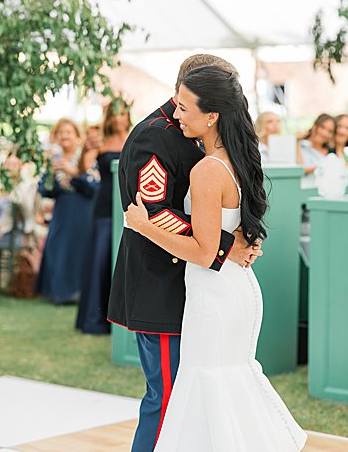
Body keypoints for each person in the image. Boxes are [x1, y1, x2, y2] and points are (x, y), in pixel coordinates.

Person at [122, 62, 305, 450]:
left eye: (187, 106)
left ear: (213, 112)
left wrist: (232, 242)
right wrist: (228, 244)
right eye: (180, 102)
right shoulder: (154, 136)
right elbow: (156, 211)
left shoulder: (210, 148)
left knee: (197, 398)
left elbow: (178, 222)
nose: (178, 113)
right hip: (163, 288)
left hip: (207, 286)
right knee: (173, 399)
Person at [75, 107, 132, 335]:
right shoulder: (101, 141)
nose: (119, 118)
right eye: (114, 113)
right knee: (100, 259)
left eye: (122, 113)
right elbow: (84, 168)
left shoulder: (136, 136)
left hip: (128, 204)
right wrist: (85, 149)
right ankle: (95, 320)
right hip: (105, 205)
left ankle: (121, 322)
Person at [37, 119, 95, 304]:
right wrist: (52, 177)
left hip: (83, 210)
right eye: (61, 132)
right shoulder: (54, 160)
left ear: (78, 136)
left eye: (69, 132)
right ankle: (60, 292)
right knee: (58, 249)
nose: (64, 135)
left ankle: (79, 292)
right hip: (62, 211)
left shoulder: (86, 158)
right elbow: (44, 190)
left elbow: (93, 187)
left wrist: (73, 172)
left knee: (80, 249)